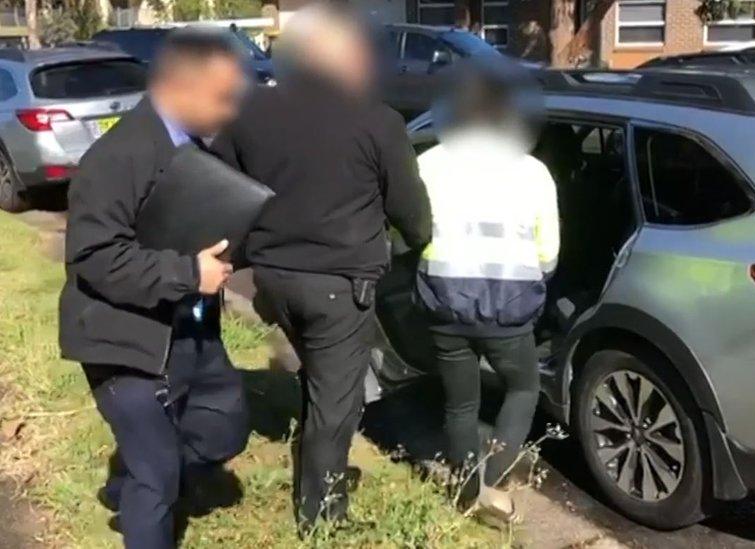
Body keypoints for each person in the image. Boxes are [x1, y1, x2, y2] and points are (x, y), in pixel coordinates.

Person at [211, 4, 431, 531]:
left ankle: (318, 473)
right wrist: (410, 246)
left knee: (322, 381)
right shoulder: (377, 122)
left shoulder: (248, 114)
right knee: (339, 400)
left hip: (272, 278)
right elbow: (412, 214)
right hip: (339, 284)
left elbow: (219, 186)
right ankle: (322, 518)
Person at [58, 29, 249, 549]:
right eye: (223, 96)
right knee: (158, 476)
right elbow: (95, 257)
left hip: (187, 328)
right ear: (181, 89)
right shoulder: (116, 157)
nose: (232, 109)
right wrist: (189, 274)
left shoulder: (199, 148)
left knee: (224, 425)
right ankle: (143, 493)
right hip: (124, 341)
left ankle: (131, 482)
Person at [414, 60, 559, 520]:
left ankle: (464, 491)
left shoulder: (429, 162)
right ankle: (494, 480)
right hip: (509, 306)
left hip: (443, 301)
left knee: (460, 402)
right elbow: (549, 252)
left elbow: (410, 229)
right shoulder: (532, 171)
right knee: (522, 387)